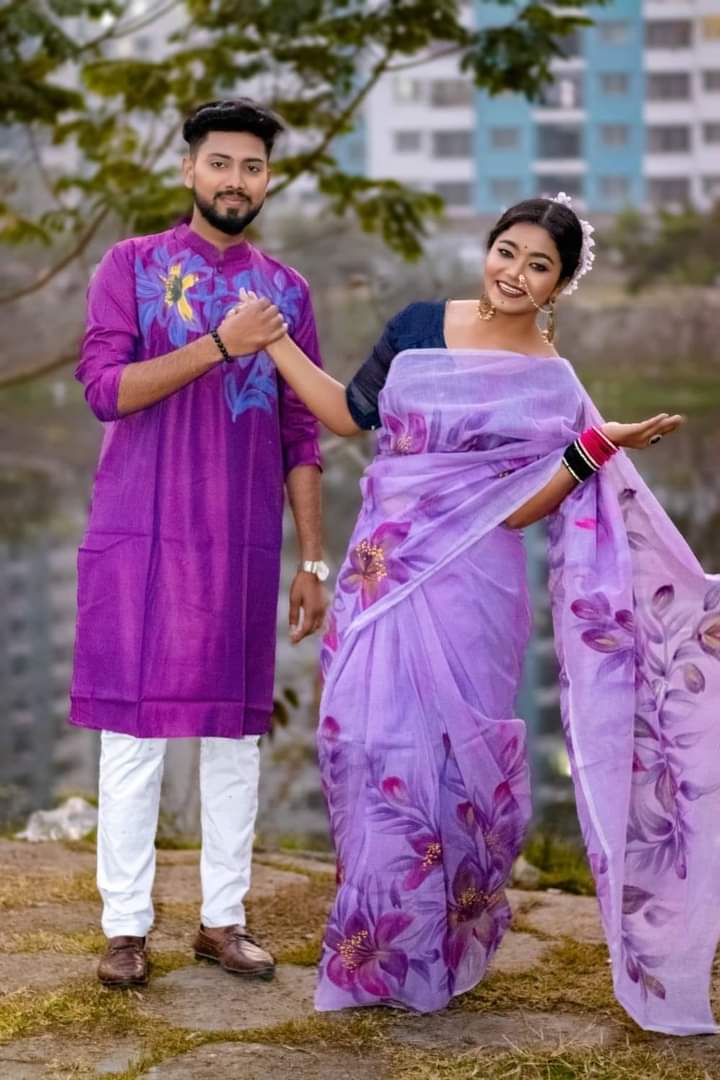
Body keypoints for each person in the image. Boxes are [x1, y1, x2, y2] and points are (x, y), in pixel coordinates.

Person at [246, 194, 720, 1036]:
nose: (515, 273)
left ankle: (436, 949)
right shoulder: (418, 326)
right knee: (365, 747)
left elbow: (517, 511)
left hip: (474, 591)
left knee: (455, 764)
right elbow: (347, 416)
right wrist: (275, 340)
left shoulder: (552, 380)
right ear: (488, 248)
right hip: (381, 578)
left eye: (539, 266)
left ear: (559, 286)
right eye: (508, 251)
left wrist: (596, 446)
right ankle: (379, 950)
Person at [70, 98, 330, 989]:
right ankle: (124, 928)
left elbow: (303, 432)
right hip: (138, 537)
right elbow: (104, 390)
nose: (235, 180)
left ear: (267, 180)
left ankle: (223, 920)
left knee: (233, 738)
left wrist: (312, 559)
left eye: (252, 167)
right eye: (220, 162)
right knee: (130, 734)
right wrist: (221, 343)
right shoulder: (132, 265)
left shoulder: (287, 292)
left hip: (240, 543)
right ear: (189, 169)